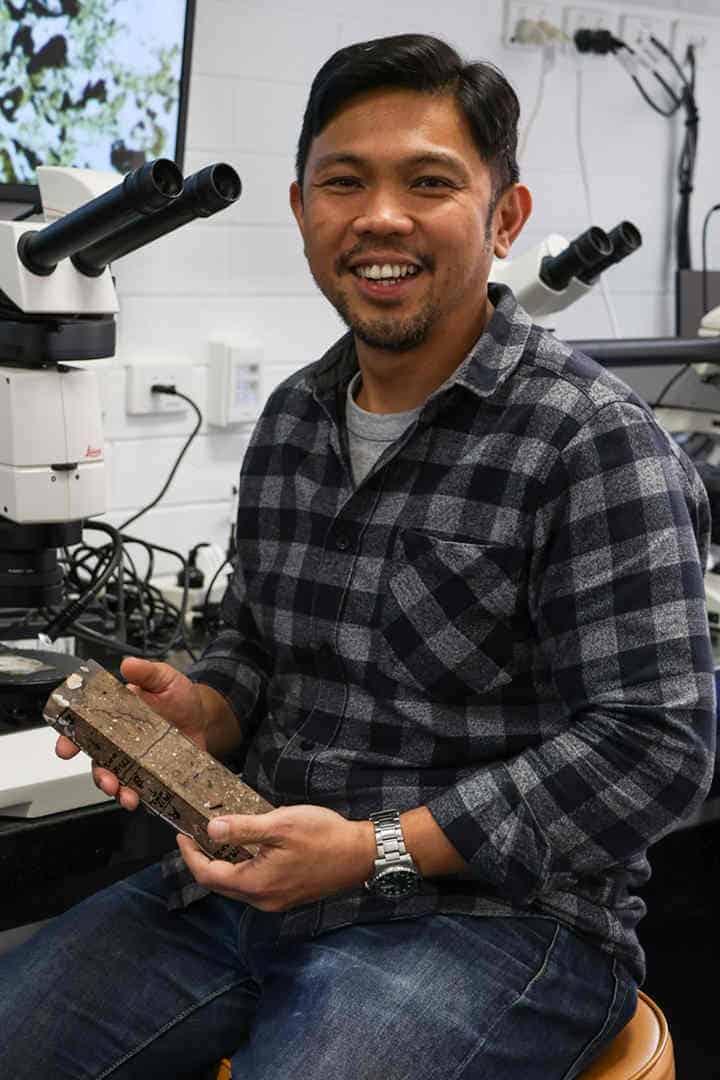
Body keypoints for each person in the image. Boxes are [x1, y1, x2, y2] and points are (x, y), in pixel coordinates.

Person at [0, 33, 715, 1080]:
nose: (381, 217)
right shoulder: (294, 419)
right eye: (345, 182)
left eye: (429, 182)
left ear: (503, 216)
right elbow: (259, 642)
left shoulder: (595, 441)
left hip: (494, 923)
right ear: (302, 212)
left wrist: (378, 849)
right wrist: (207, 709)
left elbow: (658, 746)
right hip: (245, 890)